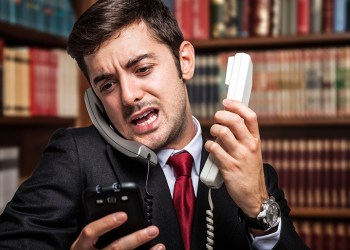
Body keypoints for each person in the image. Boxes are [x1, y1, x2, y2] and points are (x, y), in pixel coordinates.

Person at [0, 0, 309, 249]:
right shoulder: (75, 155)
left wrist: (259, 209)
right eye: (107, 85)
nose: (129, 96)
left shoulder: (254, 172)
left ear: (184, 61)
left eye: (143, 68)